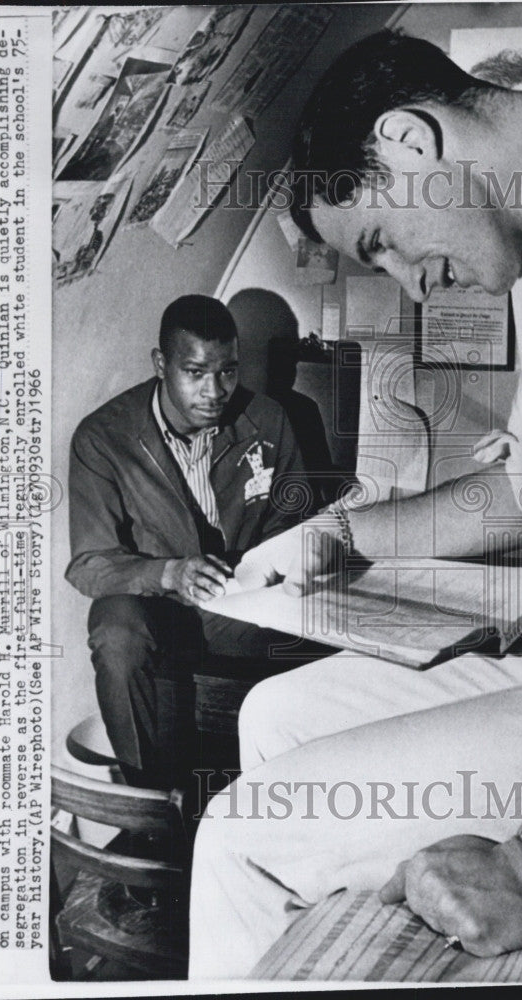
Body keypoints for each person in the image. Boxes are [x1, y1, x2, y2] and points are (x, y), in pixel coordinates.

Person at [189, 29, 522, 977]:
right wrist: (337, 534)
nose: (412, 283)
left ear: (410, 141)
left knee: (237, 836)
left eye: (383, 243)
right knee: (274, 717)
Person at [66, 294, 329, 796]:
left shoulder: (268, 421)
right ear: (161, 365)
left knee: (338, 638)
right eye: (195, 372)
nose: (215, 391)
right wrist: (168, 573)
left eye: (228, 372)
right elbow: (89, 565)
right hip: (158, 606)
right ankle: (153, 807)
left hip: (245, 602)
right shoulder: (104, 438)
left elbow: (299, 522)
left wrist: (295, 559)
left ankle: (292, 804)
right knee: (114, 631)